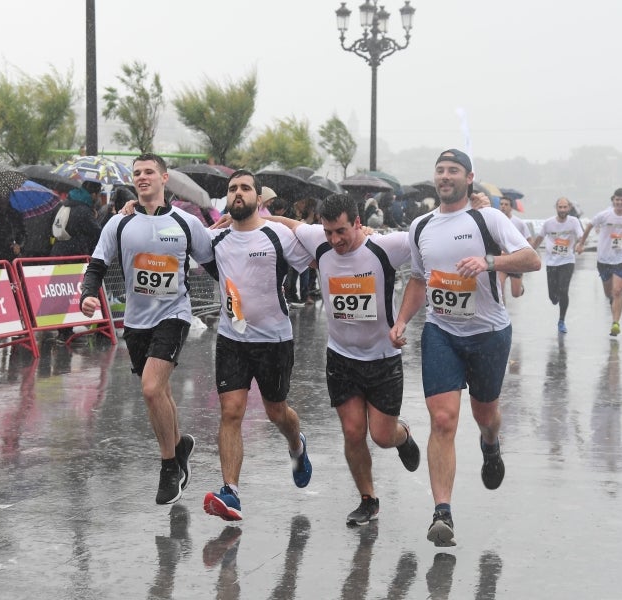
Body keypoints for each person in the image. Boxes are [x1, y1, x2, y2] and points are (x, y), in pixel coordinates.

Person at [389, 149, 540, 546]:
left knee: (485, 413)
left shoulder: (487, 218)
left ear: (469, 177)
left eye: (453, 170)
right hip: (441, 333)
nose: (445, 176)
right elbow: (419, 280)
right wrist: (403, 319)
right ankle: (443, 513)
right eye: (440, 170)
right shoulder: (420, 226)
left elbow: (532, 259)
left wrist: (490, 262)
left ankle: (491, 445)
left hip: (489, 333)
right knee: (442, 420)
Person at [268, 193, 420, 526]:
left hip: (383, 359)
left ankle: (403, 436)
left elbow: (428, 234)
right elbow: (287, 224)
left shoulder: (386, 247)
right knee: (353, 433)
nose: (335, 240)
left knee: (381, 436)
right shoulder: (319, 242)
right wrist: (241, 221)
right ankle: (368, 499)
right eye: (328, 232)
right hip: (341, 358)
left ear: (357, 223)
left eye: (341, 231)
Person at [79, 153, 215, 505]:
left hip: (174, 314)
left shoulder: (186, 222)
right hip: (136, 322)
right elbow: (96, 264)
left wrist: (237, 301)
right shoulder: (119, 224)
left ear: (164, 178)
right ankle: (180, 445)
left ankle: (169, 466)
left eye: (149, 172)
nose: (142, 177)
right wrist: (87, 295)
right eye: (137, 173)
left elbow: (215, 264)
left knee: (152, 389)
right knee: (161, 391)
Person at [202, 170, 314, 522]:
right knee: (231, 412)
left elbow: (315, 251)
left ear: (258, 198)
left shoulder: (277, 234)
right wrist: (131, 208)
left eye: (245, 188)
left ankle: (297, 444)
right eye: (232, 189)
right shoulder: (214, 240)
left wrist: (282, 218)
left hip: (274, 340)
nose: (238, 193)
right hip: (232, 338)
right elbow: (169, 235)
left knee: (276, 412)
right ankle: (231, 492)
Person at [575, 188, 622, 337]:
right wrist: (581, 243)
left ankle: (615, 323)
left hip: (621, 260)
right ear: (613, 200)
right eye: (617, 200)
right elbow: (589, 226)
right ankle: (613, 301)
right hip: (604, 260)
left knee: (618, 291)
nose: (619, 202)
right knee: (609, 293)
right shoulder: (604, 215)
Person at [531, 197, 584, 333]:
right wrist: (530, 252)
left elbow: (580, 235)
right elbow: (539, 239)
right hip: (551, 262)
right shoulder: (549, 223)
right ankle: (555, 299)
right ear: (556, 208)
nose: (562, 210)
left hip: (567, 261)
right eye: (560, 207)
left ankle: (561, 320)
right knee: (553, 297)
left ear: (569, 208)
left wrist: (579, 244)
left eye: (565, 207)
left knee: (563, 290)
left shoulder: (574, 221)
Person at [50, 186, 103, 258]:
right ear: (93, 195)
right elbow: (97, 233)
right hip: (76, 255)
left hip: (57, 253)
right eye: (99, 194)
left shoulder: (62, 206)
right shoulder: (84, 210)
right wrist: (95, 219)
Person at [498, 197, 533, 298]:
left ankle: (519, 286)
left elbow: (529, 240)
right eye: (501, 204)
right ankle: (502, 311)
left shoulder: (519, 223)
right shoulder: (496, 221)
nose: (503, 206)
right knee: (499, 290)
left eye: (506, 204)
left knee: (515, 294)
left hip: (516, 262)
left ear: (511, 207)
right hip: (502, 261)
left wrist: (526, 256)